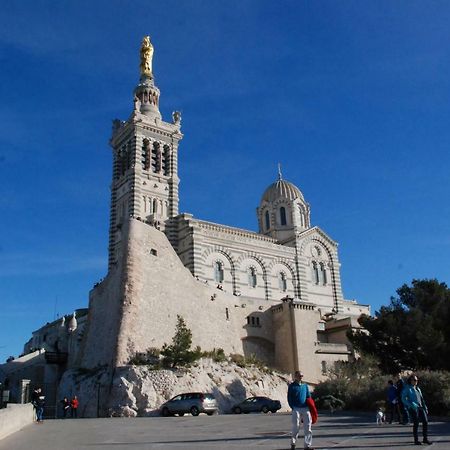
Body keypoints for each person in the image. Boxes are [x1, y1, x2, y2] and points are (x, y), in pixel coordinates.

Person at [401, 374, 432, 445]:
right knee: (416, 423)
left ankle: (425, 439)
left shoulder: (418, 388)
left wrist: (425, 407)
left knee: (425, 421)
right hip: (413, 408)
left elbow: (421, 398)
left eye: (417, 380)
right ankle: (416, 440)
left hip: (421, 407)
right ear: (411, 381)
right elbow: (403, 398)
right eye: (414, 380)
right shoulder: (407, 388)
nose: (416, 381)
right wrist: (410, 405)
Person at [287, 370, 314, 450]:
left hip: (305, 408)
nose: (301, 377)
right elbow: (289, 398)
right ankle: (293, 443)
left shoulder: (305, 386)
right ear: (296, 376)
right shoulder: (292, 386)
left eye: (302, 376)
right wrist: (293, 407)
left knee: (308, 427)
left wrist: (311, 406)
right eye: (299, 375)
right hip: (296, 408)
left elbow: (308, 397)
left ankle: (307, 445)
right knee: (296, 426)